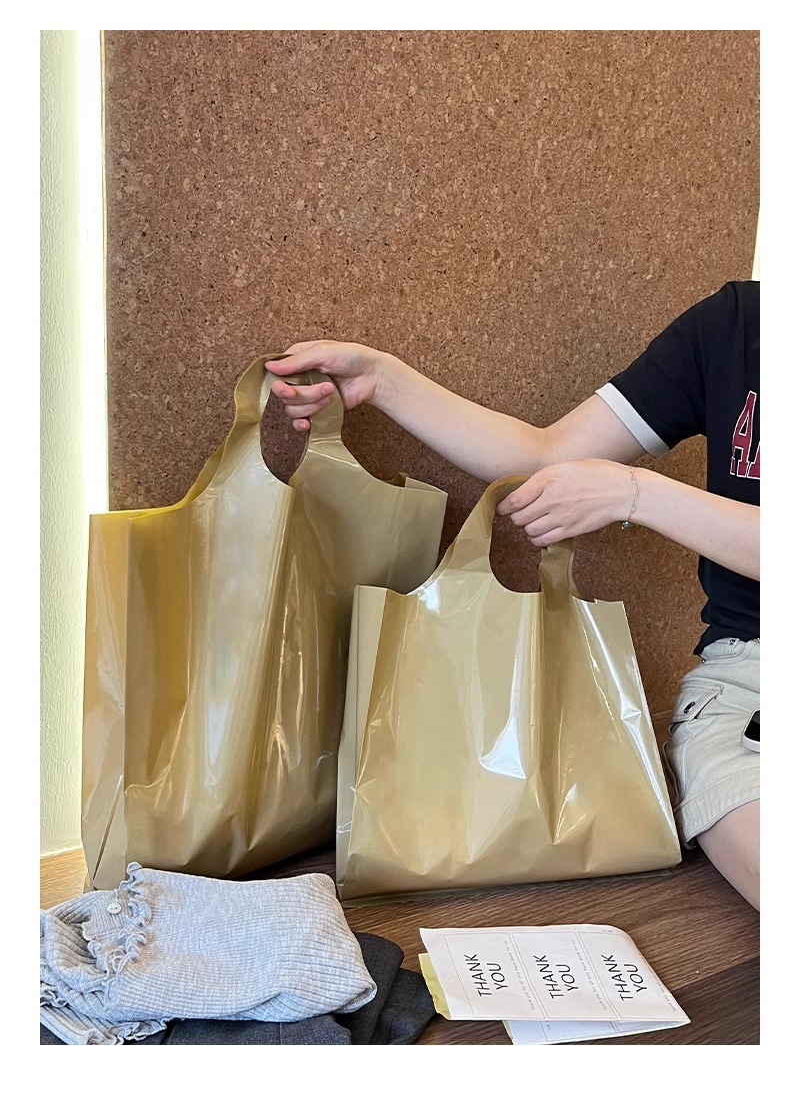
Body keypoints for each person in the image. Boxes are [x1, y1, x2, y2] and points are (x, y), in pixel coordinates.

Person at [265, 280, 760, 910]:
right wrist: (383, 380)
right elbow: (546, 454)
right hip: (749, 689)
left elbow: (619, 487)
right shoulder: (738, 325)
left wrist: (637, 493)